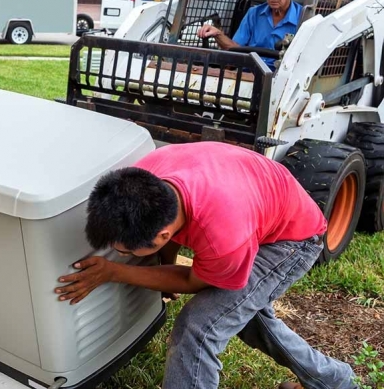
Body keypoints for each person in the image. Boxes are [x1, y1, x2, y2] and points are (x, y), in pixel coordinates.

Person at [55, 142, 358, 389]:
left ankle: (335, 381)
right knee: (248, 319)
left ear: (161, 235)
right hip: (259, 202)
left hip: (293, 240)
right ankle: (335, 381)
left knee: (198, 328)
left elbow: (192, 282)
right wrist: (165, 263)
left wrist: (115, 272)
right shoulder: (144, 178)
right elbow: (171, 234)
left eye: (124, 250)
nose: (119, 254)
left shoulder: (223, 237)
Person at [197, 0, 302, 69]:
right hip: (249, 73)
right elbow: (235, 50)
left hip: (283, 79)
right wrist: (218, 34)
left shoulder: (303, 17)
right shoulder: (254, 14)